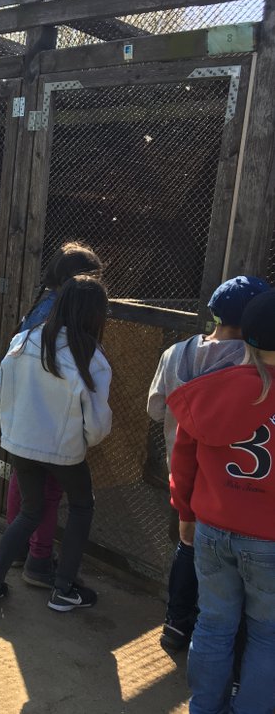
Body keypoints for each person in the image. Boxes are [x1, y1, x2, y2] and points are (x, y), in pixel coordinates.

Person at [0, 275, 112, 613]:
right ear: (95, 314)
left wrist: (15, 428)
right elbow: (96, 420)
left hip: (20, 443)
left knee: (31, 510)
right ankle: (63, 587)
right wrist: (86, 442)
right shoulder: (90, 354)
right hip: (64, 450)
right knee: (81, 505)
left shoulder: (24, 340)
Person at [148, 275, 270, 651]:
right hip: (229, 478)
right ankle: (224, 640)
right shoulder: (252, 362)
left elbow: (155, 409)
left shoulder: (176, 352)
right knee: (226, 567)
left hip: (179, 466)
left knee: (186, 544)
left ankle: (176, 623)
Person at [168, 289, 275, 714]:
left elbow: (184, 454)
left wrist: (185, 511)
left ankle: (203, 708)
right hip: (268, 539)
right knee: (267, 634)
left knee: (213, 626)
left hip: (212, 529)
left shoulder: (211, 388)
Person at [7, 241, 103, 588]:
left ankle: (17, 549)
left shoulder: (42, 305)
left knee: (23, 483)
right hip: (50, 422)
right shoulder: (59, 312)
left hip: (25, 419)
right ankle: (39, 558)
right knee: (47, 493)